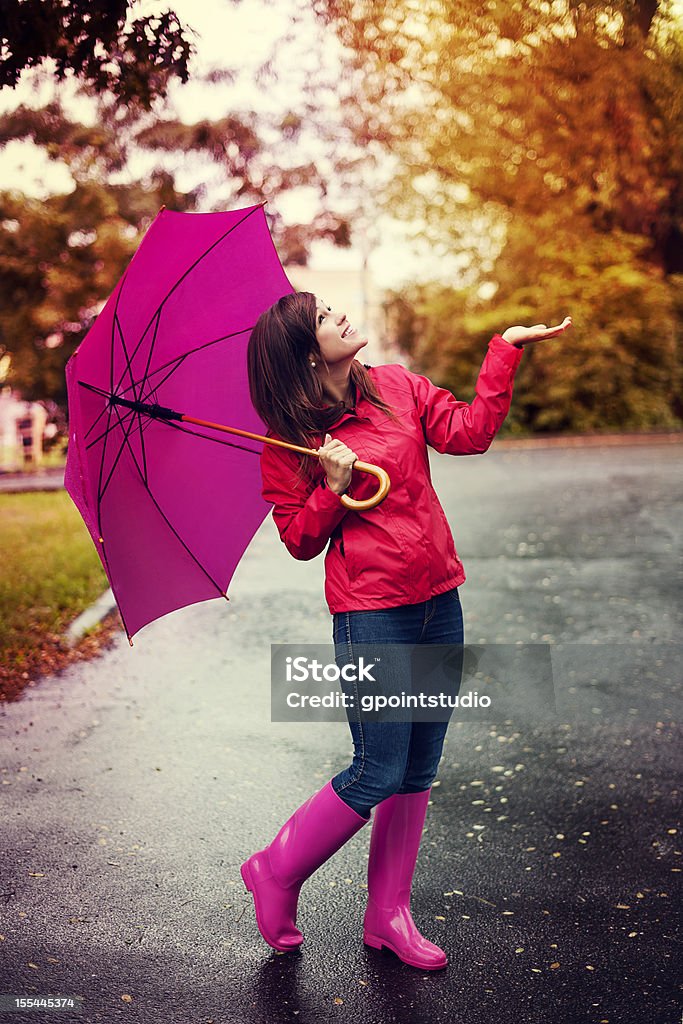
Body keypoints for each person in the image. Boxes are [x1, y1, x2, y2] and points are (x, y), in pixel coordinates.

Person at [242, 292, 572, 969]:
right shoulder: (289, 441)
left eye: (334, 309)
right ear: (307, 352)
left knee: (417, 770)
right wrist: (329, 485)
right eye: (325, 318)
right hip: (372, 614)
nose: (341, 318)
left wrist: (503, 350)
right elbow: (299, 542)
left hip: (436, 600)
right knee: (378, 768)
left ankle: (387, 915)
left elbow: (468, 431)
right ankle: (274, 869)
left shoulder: (394, 387)